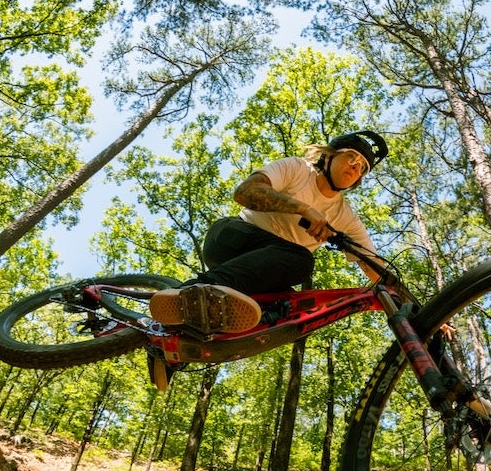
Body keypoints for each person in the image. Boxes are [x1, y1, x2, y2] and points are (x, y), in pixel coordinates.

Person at [149, 130, 388, 337]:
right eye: (351, 157)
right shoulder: (297, 168)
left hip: (262, 274)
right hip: (230, 239)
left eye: (362, 167)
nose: (355, 166)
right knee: (301, 260)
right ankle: (191, 292)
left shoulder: (345, 215)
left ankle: (178, 344)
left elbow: (371, 263)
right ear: (329, 155)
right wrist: (304, 209)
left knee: (290, 313)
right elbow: (245, 192)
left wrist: (401, 298)